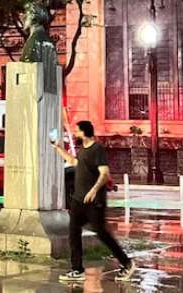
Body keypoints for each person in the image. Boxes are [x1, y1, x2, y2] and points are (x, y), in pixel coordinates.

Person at [52, 120, 136, 282]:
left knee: (102, 233)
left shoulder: (97, 149)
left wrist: (93, 190)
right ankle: (77, 269)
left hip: (94, 200)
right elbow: (75, 162)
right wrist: (58, 149)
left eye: (77, 131)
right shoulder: (83, 150)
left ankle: (127, 263)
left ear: (84, 132)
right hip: (78, 199)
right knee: (73, 232)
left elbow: (104, 173)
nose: (75, 133)